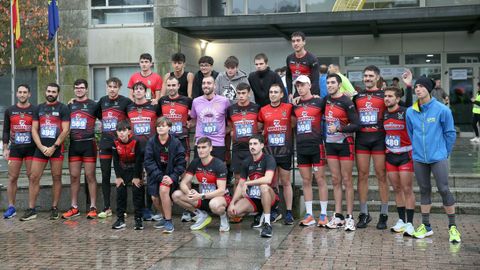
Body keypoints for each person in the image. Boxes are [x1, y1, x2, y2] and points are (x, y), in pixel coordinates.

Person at [405, 75, 461, 243]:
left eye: (422, 86)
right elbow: (411, 133)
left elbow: (450, 133)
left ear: (428, 89)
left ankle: (453, 228)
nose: (418, 89)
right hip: (419, 157)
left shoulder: (442, 109)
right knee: (424, 190)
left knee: (444, 189)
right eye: (416, 87)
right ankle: (426, 226)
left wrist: (444, 153)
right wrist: (417, 150)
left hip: (438, 157)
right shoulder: (410, 111)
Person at [20, 83, 70, 221]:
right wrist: (41, 147)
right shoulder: (39, 108)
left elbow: (66, 130)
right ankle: (31, 209)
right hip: (40, 148)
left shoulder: (63, 108)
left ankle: (54, 208)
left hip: (56, 148)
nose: (51, 93)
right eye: (49, 91)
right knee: (33, 177)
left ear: (58, 93)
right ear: (45, 91)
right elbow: (34, 129)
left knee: (56, 177)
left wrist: (54, 146)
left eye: (54, 92)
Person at [353, 65, 389, 229]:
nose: (367, 78)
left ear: (377, 77)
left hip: (379, 139)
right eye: (365, 76)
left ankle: (384, 213)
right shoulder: (357, 96)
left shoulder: (384, 95)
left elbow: (401, 106)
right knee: (362, 175)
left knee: (381, 175)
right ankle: (364, 213)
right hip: (362, 139)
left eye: (371, 76)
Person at [322, 74, 359, 231]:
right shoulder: (326, 100)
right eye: (328, 83)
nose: (330, 85)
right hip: (330, 144)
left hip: (345, 143)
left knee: (347, 180)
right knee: (335, 180)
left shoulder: (346, 101)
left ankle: (350, 217)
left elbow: (357, 124)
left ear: (339, 85)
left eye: (333, 83)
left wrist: (339, 128)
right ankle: (338, 215)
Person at [172, 137, 231, 232]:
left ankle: (224, 217)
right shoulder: (195, 162)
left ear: (211, 148)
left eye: (204, 147)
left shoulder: (219, 164)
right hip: (202, 197)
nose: (200, 150)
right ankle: (201, 215)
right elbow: (183, 182)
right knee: (176, 195)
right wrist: (190, 192)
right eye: (198, 147)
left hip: (219, 198)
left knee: (214, 204)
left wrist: (200, 196)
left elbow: (221, 190)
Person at [292, 75, 328, 227]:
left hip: (316, 145)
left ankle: (324, 214)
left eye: (302, 85)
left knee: (320, 179)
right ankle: (309, 214)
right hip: (301, 146)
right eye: (297, 86)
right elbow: (293, 123)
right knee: (306, 180)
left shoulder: (320, 101)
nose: (299, 88)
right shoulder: (296, 104)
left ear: (309, 85)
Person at [258, 84, 295, 225]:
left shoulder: (288, 108)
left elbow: (293, 124)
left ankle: (289, 212)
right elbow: (260, 127)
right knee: (272, 183)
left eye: (276, 92)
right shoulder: (263, 110)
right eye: (271, 92)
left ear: (281, 95)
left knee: (285, 182)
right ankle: (275, 210)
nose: (272, 94)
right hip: (269, 152)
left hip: (284, 151)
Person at [95, 77, 133, 218]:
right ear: (107, 87)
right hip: (105, 143)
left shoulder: (125, 101)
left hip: (120, 144)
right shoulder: (102, 100)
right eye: (110, 86)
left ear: (119, 88)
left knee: (120, 176)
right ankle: (107, 207)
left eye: (115, 87)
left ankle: (121, 209)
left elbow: (133, 116)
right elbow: (96, 113)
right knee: (105, 175)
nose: (112, 89)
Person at [227, 135, 278, 238]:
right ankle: (260, 214)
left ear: (262, 145)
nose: (252, 146)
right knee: (232, 213)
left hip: (269, 196)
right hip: (254, 198)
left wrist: (248, 183)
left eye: (255, 144)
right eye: (250, 144)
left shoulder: (269, 159)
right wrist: (232, 203)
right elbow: (240, 184)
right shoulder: (247, 162)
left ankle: (267, 224)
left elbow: (267, 179)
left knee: (263, 186)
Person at [63, 79, 98, 219]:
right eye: (76, 88)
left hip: (89, 144)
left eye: (82, 88)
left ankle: (93, 207)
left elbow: (106, 118)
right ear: (74, 90)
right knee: (74, 176)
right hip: (74, 144)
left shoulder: (93, 105)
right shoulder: (69, 105)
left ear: (87, 89)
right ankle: (74, 207)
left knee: (90, 176)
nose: (79, 90)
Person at [144, 117, 186, 233]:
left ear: (169, 127)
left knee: (163, 190)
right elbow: (148, 162)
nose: (160, 128)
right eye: (158, 126)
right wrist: (160, 176)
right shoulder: (151, 142)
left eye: (163, 125)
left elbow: (181, 162)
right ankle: (164, 216)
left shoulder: (176, 142)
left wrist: (172, 177)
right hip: (156, 175)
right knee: (154, 198)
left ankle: (168, 221)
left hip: (170, 175)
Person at [383, 86, 415, 236]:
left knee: (407, 189)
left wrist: (409, 86)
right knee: (396, 189)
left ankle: (410, 223)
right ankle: (401, 221)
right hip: (390, 156)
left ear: (397, 99)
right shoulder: (383, 114)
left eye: (390, 96)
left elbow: (411, 105)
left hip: (405, 156)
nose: (387, 98)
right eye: (385, 96)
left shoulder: (405, 111)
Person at [127, 81, 161, 221]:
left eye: (141, 89)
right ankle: (141, 209)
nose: (139, 91)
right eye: (136, 89)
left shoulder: (153, 106)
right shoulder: (128, 108)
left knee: (151, 179)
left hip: (150, 148)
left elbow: (162, 122)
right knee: (138, 179)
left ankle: (151, 207)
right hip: (135, 148)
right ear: (133, 92)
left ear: (145, 91)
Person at [2, 84, 36, 219]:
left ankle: (31, 208)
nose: (22, 94)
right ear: (16, 94)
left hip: (31, 149)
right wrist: (5, 148)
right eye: (20, 92)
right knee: (12, 178)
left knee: (32, 178)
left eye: (25, 92)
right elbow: (5, 130)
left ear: (29, 94)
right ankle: (11, 207)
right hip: (15, 149)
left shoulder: (35, 109)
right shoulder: (10, 110)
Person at [111, 120, 145, 230]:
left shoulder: (136, 142)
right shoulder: (115, 142)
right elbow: (115, 160)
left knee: (137, 191)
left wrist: (136, 177)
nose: (121, 133)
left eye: (124, 130)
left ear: (129, 131)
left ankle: (138, 219)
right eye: (119, 131)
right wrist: (118, 177)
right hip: (122, 169)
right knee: (120, 191)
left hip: (135, 168)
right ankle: (120, 219)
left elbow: (139, 160)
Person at [190, 76, 230, 160]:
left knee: (218, 171)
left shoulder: (224, 101)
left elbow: (229, 120)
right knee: (199, 171)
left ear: (214, 85)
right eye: (204, 83)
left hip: (218, 143)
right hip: (201, 143)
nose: (206, 85)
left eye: (209, 83)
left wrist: (223, 132)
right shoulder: (196, 101)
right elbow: (193, 119)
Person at [286, 31, 319, 99]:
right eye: (293, 41)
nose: (295, 43)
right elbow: (288, 76)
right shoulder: (289, 58)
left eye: (298, 40)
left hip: (311, 94)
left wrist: (314, 95)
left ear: (304, 42)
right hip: (297, 94)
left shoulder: (312, 58)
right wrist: (289, 93)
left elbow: (315, 80)